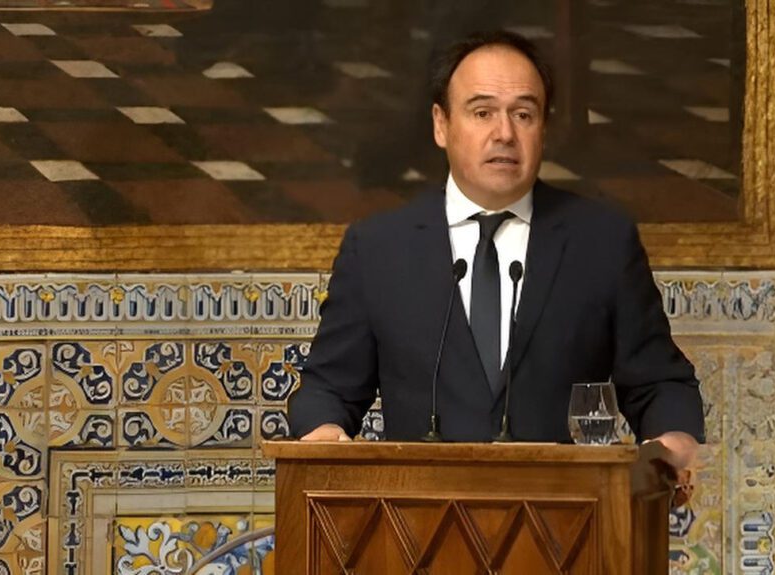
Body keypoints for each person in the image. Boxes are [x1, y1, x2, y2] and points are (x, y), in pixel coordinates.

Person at [288, 30, 704, 472]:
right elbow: (328, 387)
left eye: (523, 114)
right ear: (441, 124)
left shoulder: (601, 241)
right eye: (482, 112)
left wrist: (671, 442)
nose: (504, 133)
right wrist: (325, 431)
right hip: (419, 509)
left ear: (544, 128)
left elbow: (660, 383)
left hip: (568, 507)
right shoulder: (378, 247)